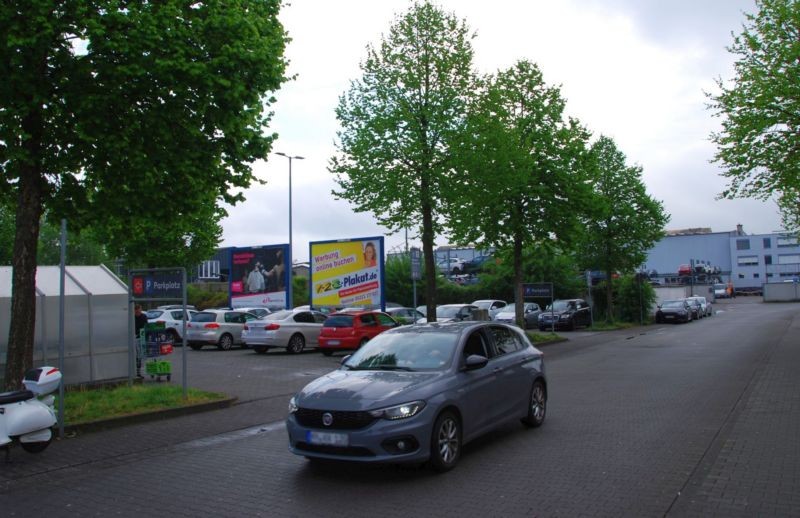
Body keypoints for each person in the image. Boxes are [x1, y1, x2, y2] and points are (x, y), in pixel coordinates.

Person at [134, 304, 148, 378]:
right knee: (136, 356)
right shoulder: (132, 317)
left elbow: (146, 326)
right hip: (134, 338)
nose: (138, 312)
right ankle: (136, 372)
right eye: (137, 310)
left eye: (139, 310)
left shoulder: (144, 316)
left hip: (141, 338)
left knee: (140, 356)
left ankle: (138, 372)